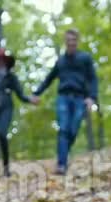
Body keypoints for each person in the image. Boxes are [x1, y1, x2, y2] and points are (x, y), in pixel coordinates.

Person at [33, 28, 98, 175]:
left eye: (74, 40)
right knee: (63, 129)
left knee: (73, 130)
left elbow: (93, 79)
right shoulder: (60, 61)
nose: (71, 43)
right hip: (63, 97)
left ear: (77, 41)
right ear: (65, 42)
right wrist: (36, 93)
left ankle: (63, 154)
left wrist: (91, 97)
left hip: (80, 98)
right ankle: (62, 164)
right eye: (68, 40)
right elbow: (48, 79)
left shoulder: (85, 58)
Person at [0, 48, 38, 179]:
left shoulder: (11, 78)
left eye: (2, 60)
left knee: (2, 134)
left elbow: (20, 95)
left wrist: (30, 99)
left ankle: (6, 166)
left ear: (6, 62)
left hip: (6, 108)